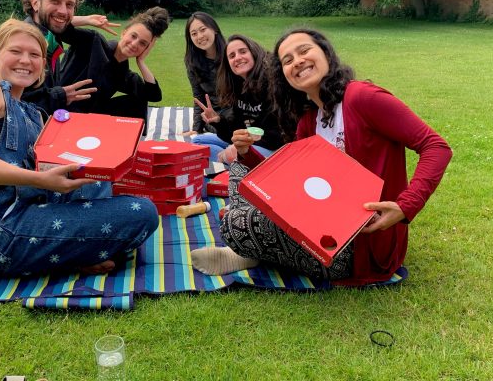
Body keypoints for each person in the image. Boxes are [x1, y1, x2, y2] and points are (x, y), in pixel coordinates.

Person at [191, 28, 452, 285]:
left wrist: (406, 205)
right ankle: (254, 249)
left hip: (358, 246)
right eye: (288, 60)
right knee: (240, 170)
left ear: (326, 54)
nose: (298, 61)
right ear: (283, 76)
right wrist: (247, 154)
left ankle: (249, 251)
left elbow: (435, 146)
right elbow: (286, 180)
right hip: (316, 222)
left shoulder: (362, 98)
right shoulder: (309, 120)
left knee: (235, 224)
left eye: (304, 50)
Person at [0, 19, 158, 276]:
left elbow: (46, 167)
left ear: (42, 67)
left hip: (27, 208)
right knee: (143, 213)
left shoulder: (33, 113)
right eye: (15, 52)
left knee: (96, 181)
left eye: (34, 54)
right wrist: (42, 179)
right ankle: (72, 255)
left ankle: (67, 253)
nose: (25, 60)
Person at [0, 0, 120, 118]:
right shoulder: (8, 40)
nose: (63, 11)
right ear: (35, 3)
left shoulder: (51, 42)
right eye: (55, 1)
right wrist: (58, 96)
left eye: (69, 5)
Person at [57, 6, 170, 122]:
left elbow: (153, 95)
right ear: (124, 33)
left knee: (138, 101)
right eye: (133, 36)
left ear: (146, 49)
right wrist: (87, 20)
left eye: (142, 43)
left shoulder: (123, 73)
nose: (135, 44)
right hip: (60, 107)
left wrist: (141, 62)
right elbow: (59, 28)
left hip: (89, 116)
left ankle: (130, 138)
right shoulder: (93, 41)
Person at [193, 34, 283, 164]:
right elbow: (235, 130)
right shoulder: (238, 87)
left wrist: (237, 148)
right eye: (232, 56)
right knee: (197, 141)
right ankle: (229, 160)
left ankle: (231, 161)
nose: (238, 58)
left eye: (243, 51)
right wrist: (217, 121)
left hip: (274, 148)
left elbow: (277, 137)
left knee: (231, 153)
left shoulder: (271, 83)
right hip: (247, 142)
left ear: (253, 52)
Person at [181, 13, 227, 149]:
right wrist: (197, 128)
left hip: (237, 113)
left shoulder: (230, 55)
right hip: (214, 117)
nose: (199, 36)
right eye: (194, 33)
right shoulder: (193, 63)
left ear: (214, 29)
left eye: (203, 30)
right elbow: (198, 97)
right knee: (200, 139)